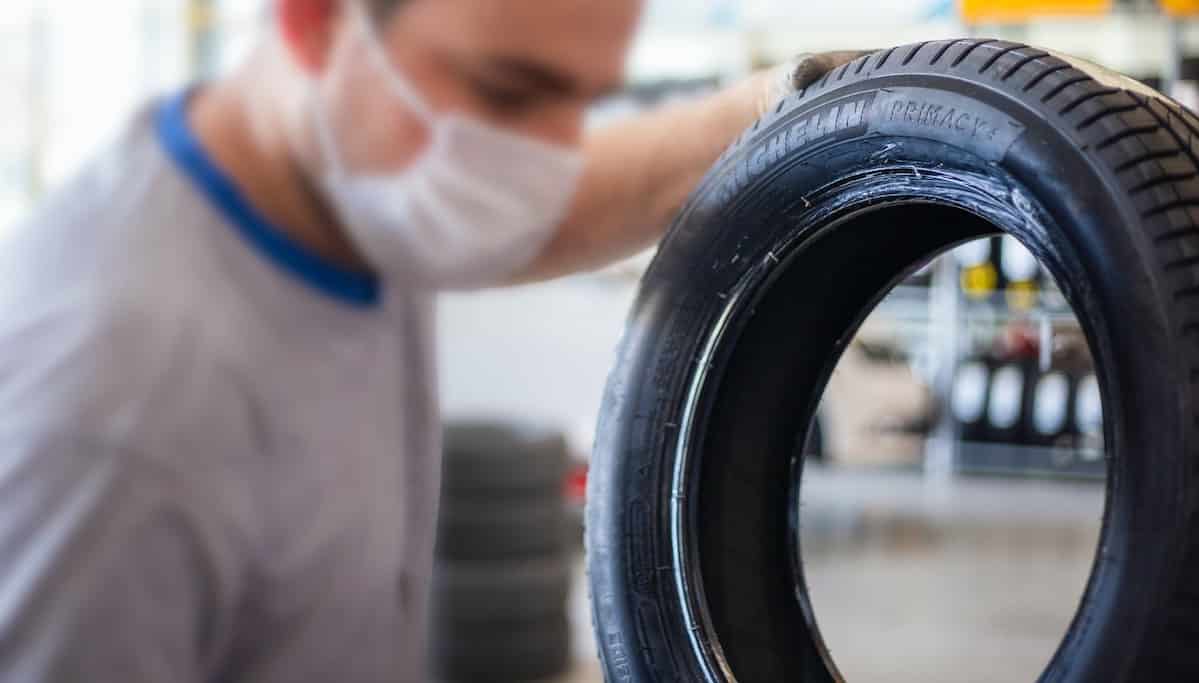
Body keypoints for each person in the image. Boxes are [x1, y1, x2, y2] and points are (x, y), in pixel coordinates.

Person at [0, 1, 862, 680]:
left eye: (577, 96)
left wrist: (782, 98)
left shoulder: (354, 191)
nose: (546, 153)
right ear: (314, 20)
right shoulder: (116, 407)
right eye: (507, 92)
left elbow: (581, 195)